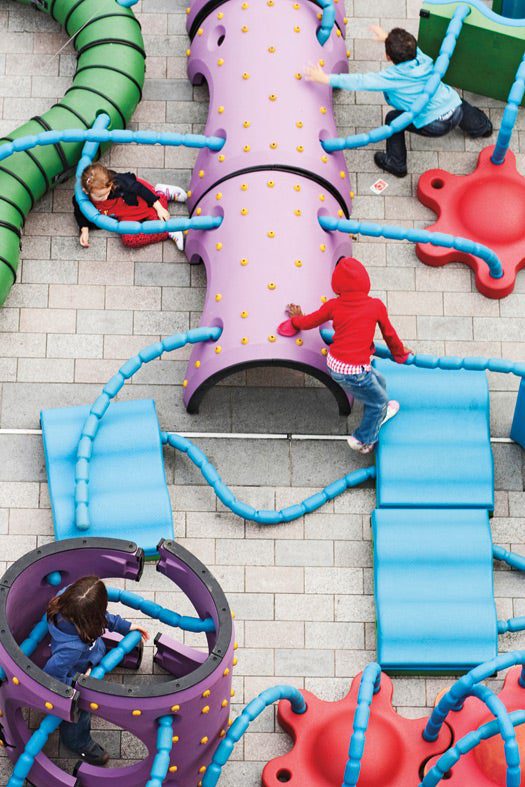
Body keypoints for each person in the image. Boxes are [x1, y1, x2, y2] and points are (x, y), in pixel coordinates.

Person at [304, 25, 492, 177]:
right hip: (455, 108)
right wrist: (387, 38)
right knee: (452, 98)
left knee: (393, 120)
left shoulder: (391, 77)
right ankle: (482, 127)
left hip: (435, 124)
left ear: (388, 57)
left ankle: (396, 163)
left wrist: (326, 78)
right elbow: (410, 46)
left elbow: (361, 81)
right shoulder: (422, 58)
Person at [287, 257, 411, 454]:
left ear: (337, 285)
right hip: (356, 372)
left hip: (335, 364)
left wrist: (296, 320)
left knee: (380, 381)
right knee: (377, 403)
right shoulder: (376, 306)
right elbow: (390, 335)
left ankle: (379, 408)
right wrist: (400, 354)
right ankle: (363, 439)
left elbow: (310, 321)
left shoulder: (334, 305)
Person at [44, 576, 149, 765]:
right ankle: (77, 741)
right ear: (88, 620)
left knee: (98, 649)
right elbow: (51, 674)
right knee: (80, 708)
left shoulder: (67, 600)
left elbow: (102, 617)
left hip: (89, 655)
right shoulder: (71, 649)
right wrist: (74, 685)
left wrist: (126, 626)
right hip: (77, 671)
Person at [73, 163, 187, 250]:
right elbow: (80, 209)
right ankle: (167, 231)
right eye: (100, 196)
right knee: (129, 240)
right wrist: (84, 229)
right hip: (123, 214)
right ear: (86, 191)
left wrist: (159, 208)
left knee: (160, 213)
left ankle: (162, 194)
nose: (105, 196)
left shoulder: (119, 182)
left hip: (138, 202)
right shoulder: (83, 198)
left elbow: (140, 189)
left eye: (107, 192)